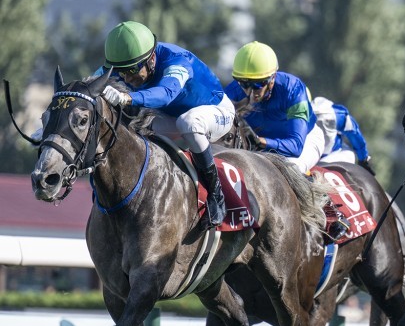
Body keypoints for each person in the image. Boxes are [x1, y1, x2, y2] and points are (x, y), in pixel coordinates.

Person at [99, 20, 234, 227]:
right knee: (136, 131)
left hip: (217, 112)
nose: (126, 77)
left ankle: (216, 194)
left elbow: (166, 94)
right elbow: (86, 86)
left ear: (151, 58)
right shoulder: (127, 64)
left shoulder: (177, 61)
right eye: (121, 71)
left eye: (132, 70)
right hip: (175, 119)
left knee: (189, 122)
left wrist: (128, 98)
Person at [225, 41, 347, 240]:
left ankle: (332, 214)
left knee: (292, 167)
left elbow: (295, 145)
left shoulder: (292, 89)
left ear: (272, 78)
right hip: (260, 144)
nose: (250, 92)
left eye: (257, 84)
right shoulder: (232, 93)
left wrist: (262, 142)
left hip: (305, 140)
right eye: (244, 84)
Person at [311, 96, 375, 173]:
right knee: (350, 154)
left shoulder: (301, 111)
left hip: (307, 157)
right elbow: (354, 133)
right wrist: (363, 158)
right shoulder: (336, 113)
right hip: (331, 156)